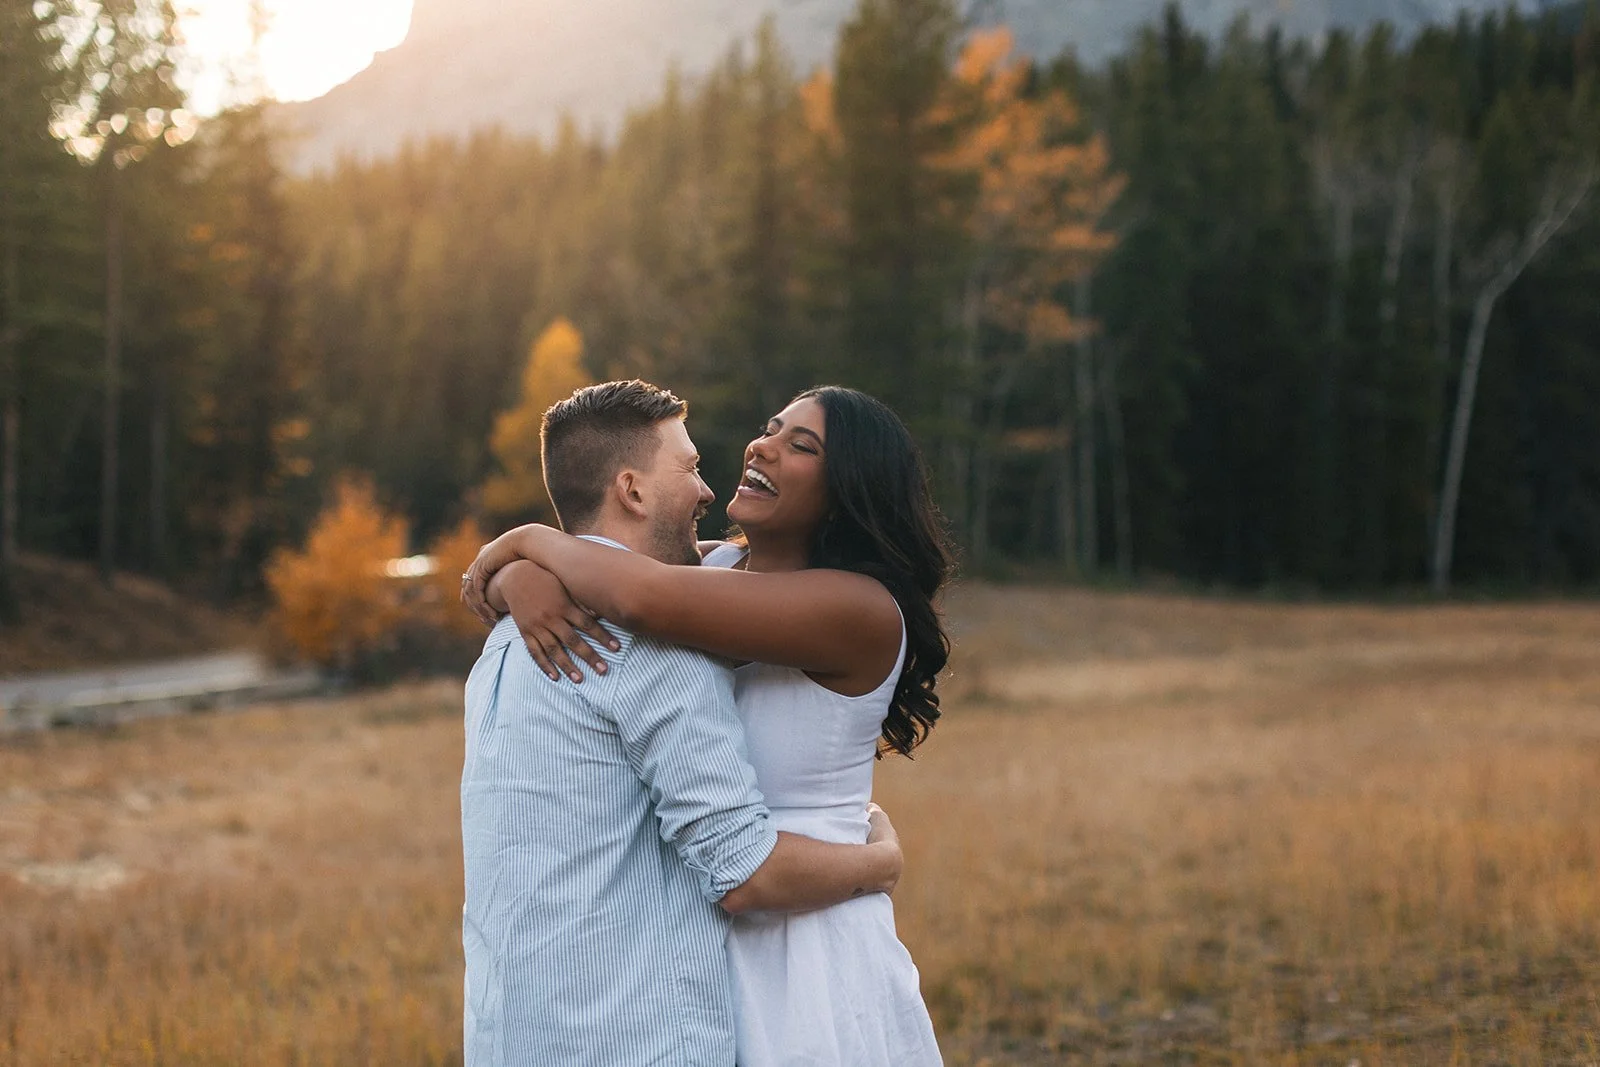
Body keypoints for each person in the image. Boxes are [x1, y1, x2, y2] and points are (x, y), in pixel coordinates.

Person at [463, 385, 952, 1066]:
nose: (763, 446)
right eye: (770, 428)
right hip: (700, 941)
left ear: (847, 490)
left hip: (803, 937)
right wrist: (518, 580)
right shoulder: (715, 568)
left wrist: (528, 541)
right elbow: (619, 575)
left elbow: (634, 592)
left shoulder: (859, 607)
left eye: (800, 445)